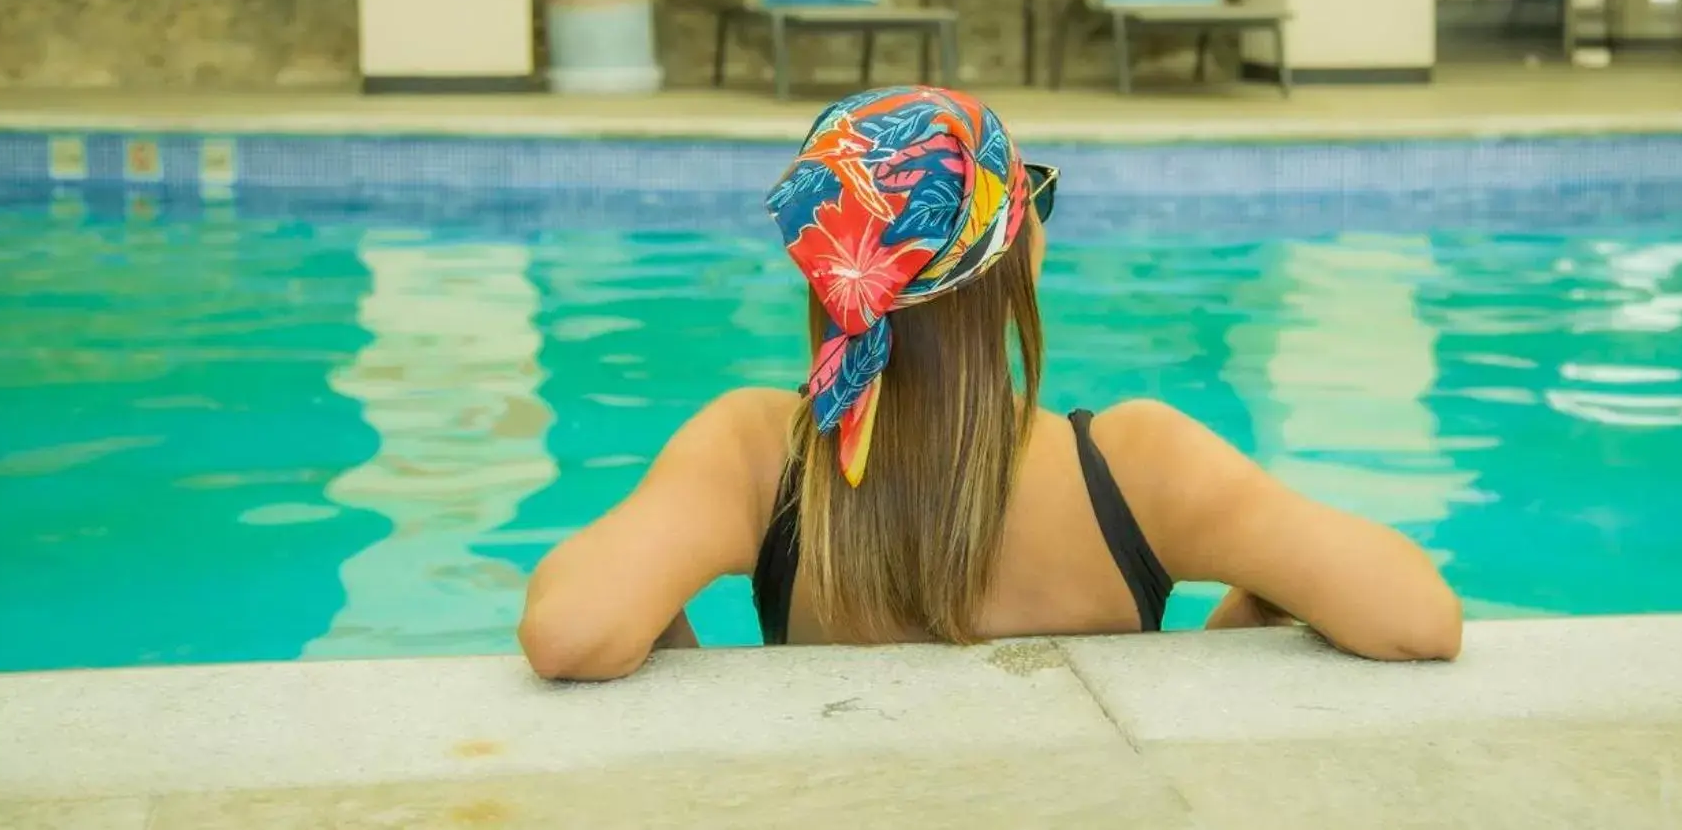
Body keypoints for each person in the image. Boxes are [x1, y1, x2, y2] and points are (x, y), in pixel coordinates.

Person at [518, 86, 1461, 679]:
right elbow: (1416, 614)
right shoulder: (1135, 464)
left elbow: (574, 629)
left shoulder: (761, 455)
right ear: (1020, 260)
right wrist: (1242, 618)